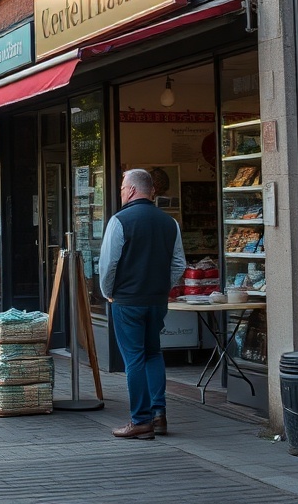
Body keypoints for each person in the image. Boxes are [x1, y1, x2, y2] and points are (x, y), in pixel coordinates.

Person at [99, 168, 186, 440]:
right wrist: (163, 287)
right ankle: (159, 414)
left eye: (123, 188)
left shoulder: (120, 221)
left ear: (133, 190)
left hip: (127, 300)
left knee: (134, 359)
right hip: (156, 300)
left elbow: (108, 264)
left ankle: (140, 420)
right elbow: (179, 264)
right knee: (153, 353)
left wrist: (108, 293)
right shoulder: (169, 223)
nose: (122, 192)